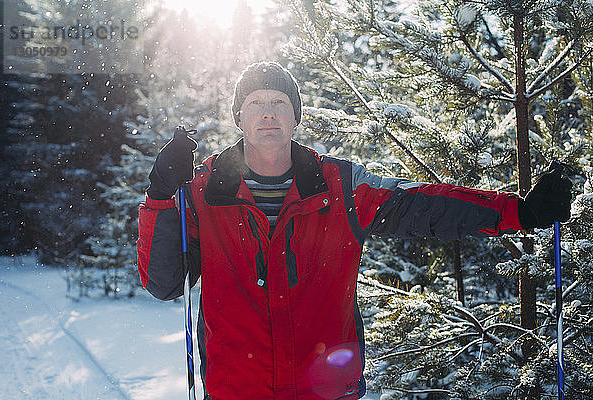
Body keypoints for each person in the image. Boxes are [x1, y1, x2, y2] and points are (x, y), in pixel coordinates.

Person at [137, 61, 572, 399]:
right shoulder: (203, 192)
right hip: (236, 392)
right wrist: (160, 194)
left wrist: (518, 212)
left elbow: (425, 205)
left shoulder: (341, 186)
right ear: (239, 117)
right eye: (255, 103)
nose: (267, 114)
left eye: (278, 103)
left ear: (295, 117)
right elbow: (164, 283)